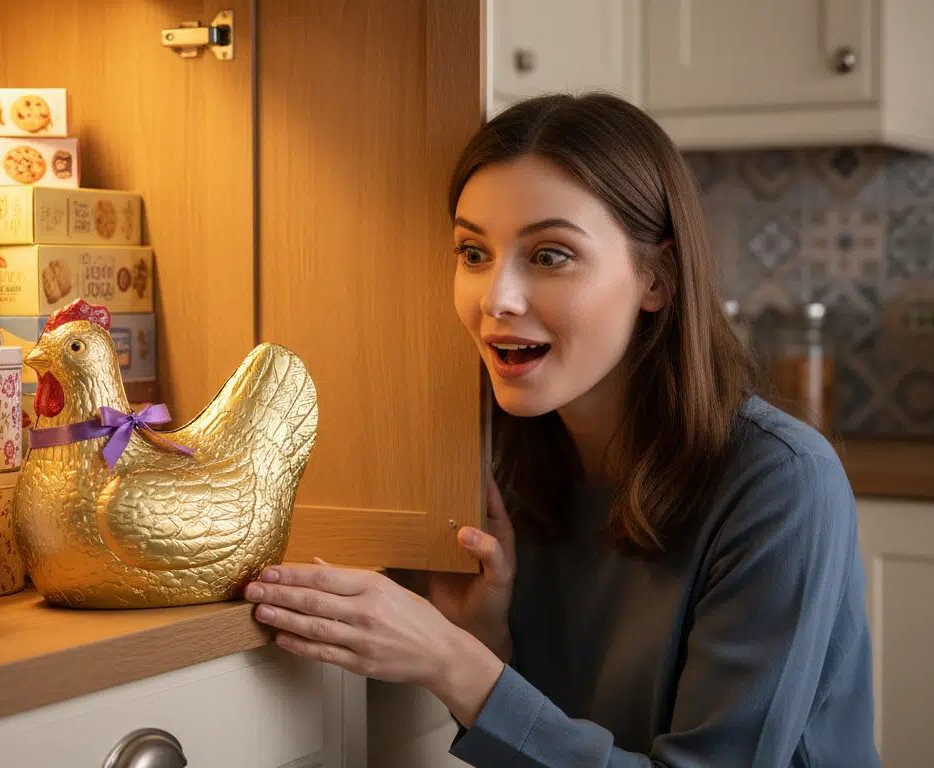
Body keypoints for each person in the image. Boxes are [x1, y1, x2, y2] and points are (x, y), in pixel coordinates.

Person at [242, 93, 879, 767]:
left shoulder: (782, 483)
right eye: (473, 252)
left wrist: (456, 662)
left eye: (550, 256)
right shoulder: (491, 472)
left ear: (657, 278)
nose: (496, 298)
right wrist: (487, 642)